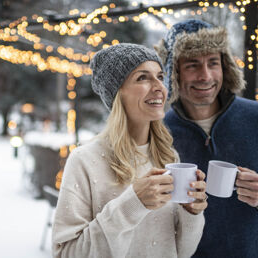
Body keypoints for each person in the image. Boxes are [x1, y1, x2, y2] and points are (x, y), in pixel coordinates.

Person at [52, 43, 207, 258]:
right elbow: (67, 253)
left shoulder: (168, 157)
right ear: (118, 93)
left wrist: (191, 213)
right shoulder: (84, 160)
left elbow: (182, 252)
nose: (159, 87)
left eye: (160, 77)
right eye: (143, 77)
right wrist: (133, 204)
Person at [154, 19, 258, 257]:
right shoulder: (158, 133)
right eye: (192, 65)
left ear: (225, 67)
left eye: (213, 63)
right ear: (174, 72)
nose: (206, 75)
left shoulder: (255, 117)